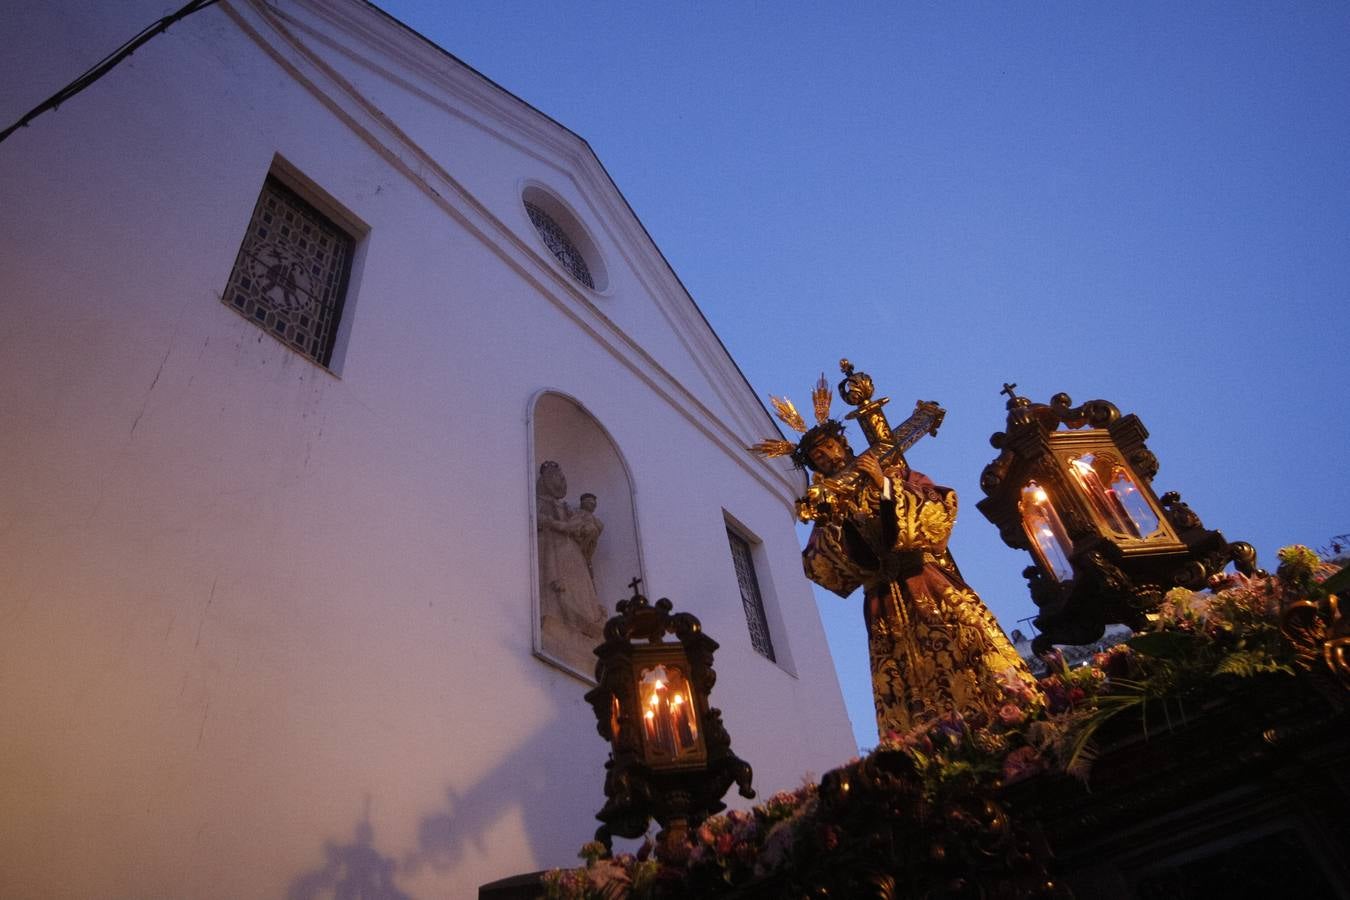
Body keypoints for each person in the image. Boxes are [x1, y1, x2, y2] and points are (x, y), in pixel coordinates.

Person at [536, 462, 605, 641]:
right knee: (557, 585)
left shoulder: (567, 508)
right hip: (552, 546)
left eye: (561, 477)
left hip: (572, 552)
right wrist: (553, 524)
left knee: (579, 588)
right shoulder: (538, 501)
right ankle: (557, 615)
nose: (561, 480)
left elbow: (579, 529)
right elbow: (537, 519)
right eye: (556, 477)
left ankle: (585, 622)